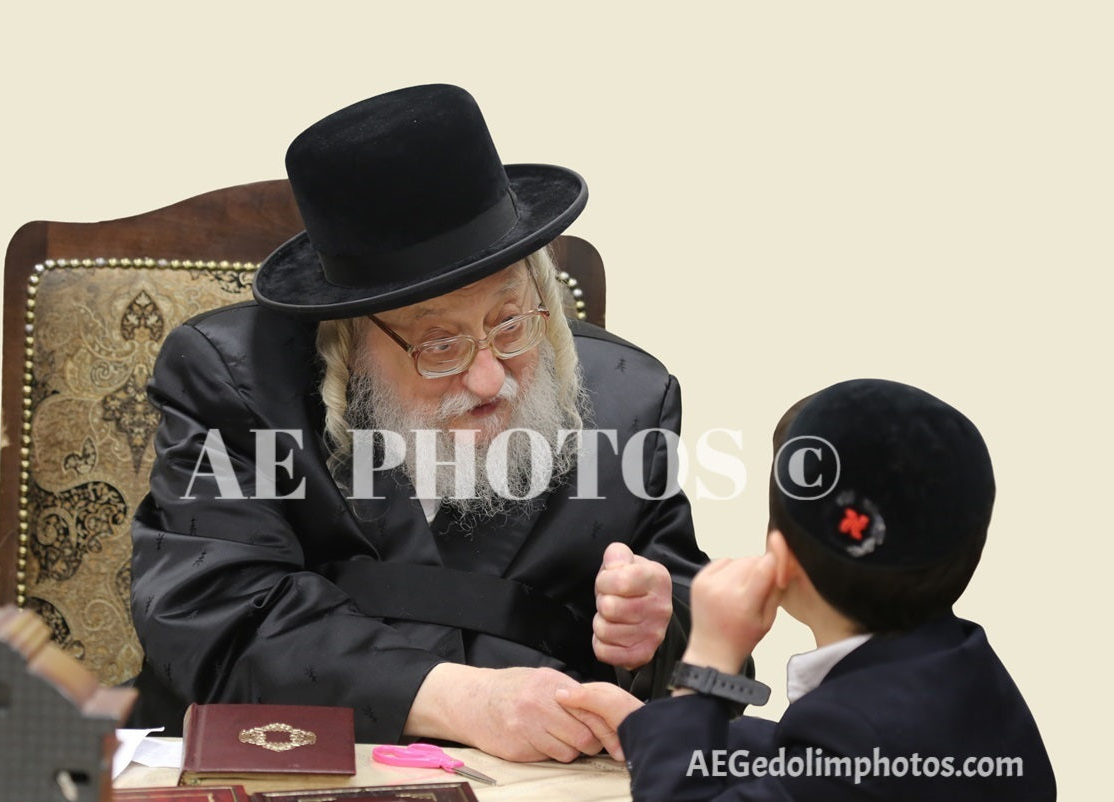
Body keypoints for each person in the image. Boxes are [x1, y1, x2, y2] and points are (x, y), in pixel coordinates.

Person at [129, 84, 708, 762]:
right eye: (439, 344)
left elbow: (708, 651)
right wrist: (465, 701)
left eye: (509, 321)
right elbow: (214, 618)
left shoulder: (628, 398)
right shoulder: (232, 382)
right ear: (346, 336)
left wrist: (655, 634)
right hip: (288, 764)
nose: (488, 376)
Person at [559, 378, 1056, 798]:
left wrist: (709, 662)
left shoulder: (851, 734)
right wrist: (654, 725)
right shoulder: (967, 669)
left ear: (783, 556)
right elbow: (799, 755)